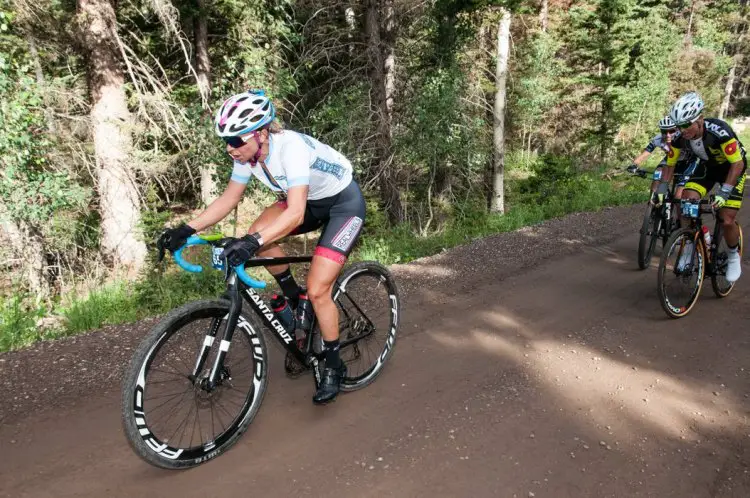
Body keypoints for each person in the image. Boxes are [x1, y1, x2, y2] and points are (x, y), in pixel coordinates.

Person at [157, 90, 366, 404]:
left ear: (262, 133)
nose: (230, 149)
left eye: (236, 141)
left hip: (342, 205)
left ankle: (334, 365)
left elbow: (294, 212)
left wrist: (252, 243)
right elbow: (229, 198)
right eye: (227, 141)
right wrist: (185, 229)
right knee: (257, 232)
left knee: (318, 287)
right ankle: (295, 298)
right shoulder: (249, 156)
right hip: (306, 202)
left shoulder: (290, 149)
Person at [665, 91, 747, 282]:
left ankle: (733, 256)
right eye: (679, 125)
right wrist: (661, 191)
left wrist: (724, 192)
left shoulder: (720, 130)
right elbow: (670, 163)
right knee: (686, 199)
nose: (683, 130)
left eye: (686, 125)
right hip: (708, 169)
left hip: (732, 169)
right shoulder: (680, 137)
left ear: (700, 119)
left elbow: (738, 164)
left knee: (726, 218)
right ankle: (689, 245)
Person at [626, 116, 693, 206]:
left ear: (677, 129)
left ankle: (680, 215)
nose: (668, 135)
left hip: (686, 162)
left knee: (679, 197)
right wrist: (634, 164)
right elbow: (645, 153)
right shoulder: (658, 139)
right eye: (664, 132)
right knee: (658, 173)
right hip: (669, 160)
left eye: (672, 131)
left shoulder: (684, 138)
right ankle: (652, 202)